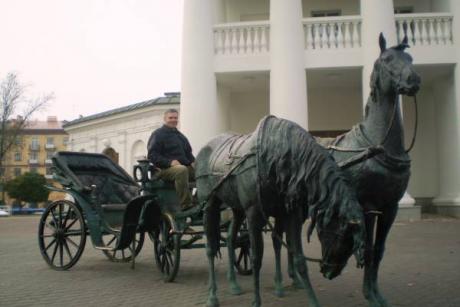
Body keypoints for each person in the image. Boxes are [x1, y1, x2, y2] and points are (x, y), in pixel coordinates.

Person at [147, 109, 195, 210]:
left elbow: (189, 155)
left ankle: (200, 202)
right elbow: (152, 155)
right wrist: (170, 162)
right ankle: (186, 204)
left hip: (183, 168)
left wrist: (195, 164)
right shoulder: (158, 134)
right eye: (171, 118)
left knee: (205, 173)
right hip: (163, 170)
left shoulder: (181, 137)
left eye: (175, 118)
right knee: (181, 170)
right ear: (165, 119)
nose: (173, 120)